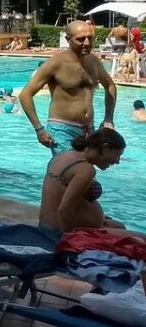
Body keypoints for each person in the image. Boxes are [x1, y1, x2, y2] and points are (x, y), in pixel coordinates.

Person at [19, 20, 117, 154]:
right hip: (62, 129)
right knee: (68, 169)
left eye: (90, 38)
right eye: (81, 39)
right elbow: (25, 94)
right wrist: (39, 129)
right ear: (68, 39)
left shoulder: (94, 62)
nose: (87, 43)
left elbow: (110, 85)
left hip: (89, 128)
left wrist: (108, 118)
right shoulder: (55, 63)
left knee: (86, 171)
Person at [39, 129, 126, 232]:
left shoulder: (64, 155)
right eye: (117, 154)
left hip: (46, 224)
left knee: (118, 226)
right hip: (59, 230)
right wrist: (69, 239)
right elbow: (64, 209)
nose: (117, 161)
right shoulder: (85, 169)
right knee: (135, 238)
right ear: (105, 148)